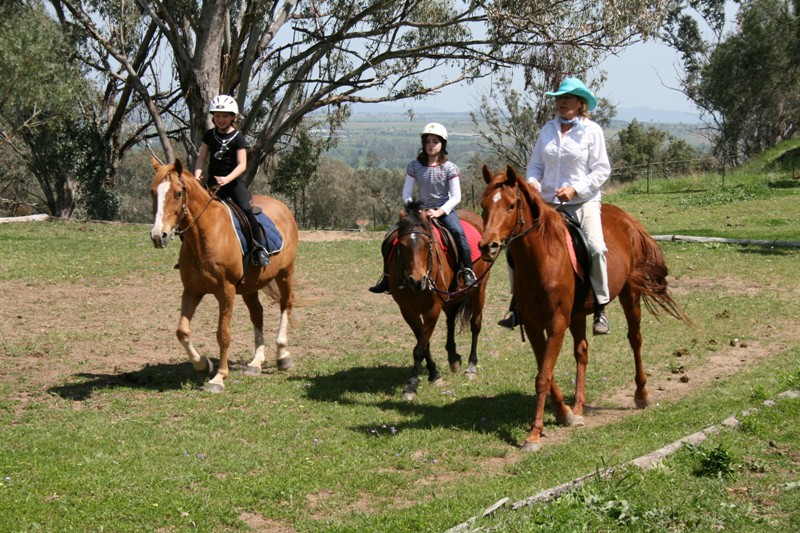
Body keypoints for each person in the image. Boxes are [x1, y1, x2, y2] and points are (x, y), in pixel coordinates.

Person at [498, 77, 612, 335]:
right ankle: (517, 305)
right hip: (547, 203)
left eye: (567, 98)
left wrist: (576, 188)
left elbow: (602, 169)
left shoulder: (592, 130)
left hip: (583, 202)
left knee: (595, 247)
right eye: (559, 98)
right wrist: (533, 182)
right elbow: (536, 164)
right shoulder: (547, 129)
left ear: (580, 103)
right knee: (515, 248)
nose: (561, 103)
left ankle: (600, 307)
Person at [368, 122, 477, 293]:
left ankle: (467, 270)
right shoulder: (414, 166)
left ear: (443, 144)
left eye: (435, 141)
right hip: (420, 211)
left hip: (443, 210)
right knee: (390, 236)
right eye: (428, 141)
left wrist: (439, 211)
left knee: (458, 234)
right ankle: (387, 277)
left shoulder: (450, 168)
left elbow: (456, 196)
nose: (431, 145)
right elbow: (407, 194)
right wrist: (415, 209)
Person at [194, 94, 270, 267]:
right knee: (193, 212)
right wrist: (197, 173)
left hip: (233, 184)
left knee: (246, 209)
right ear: (213, 117)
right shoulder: (209, 135)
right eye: (218, 116)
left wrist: (227, 179)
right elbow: (201, 158)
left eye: (225, 116)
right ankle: (191, 253)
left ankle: (258, 248)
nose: (221, 119)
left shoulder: (238, 138)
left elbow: (242, 165)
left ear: (233, 117)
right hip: (213, 185)